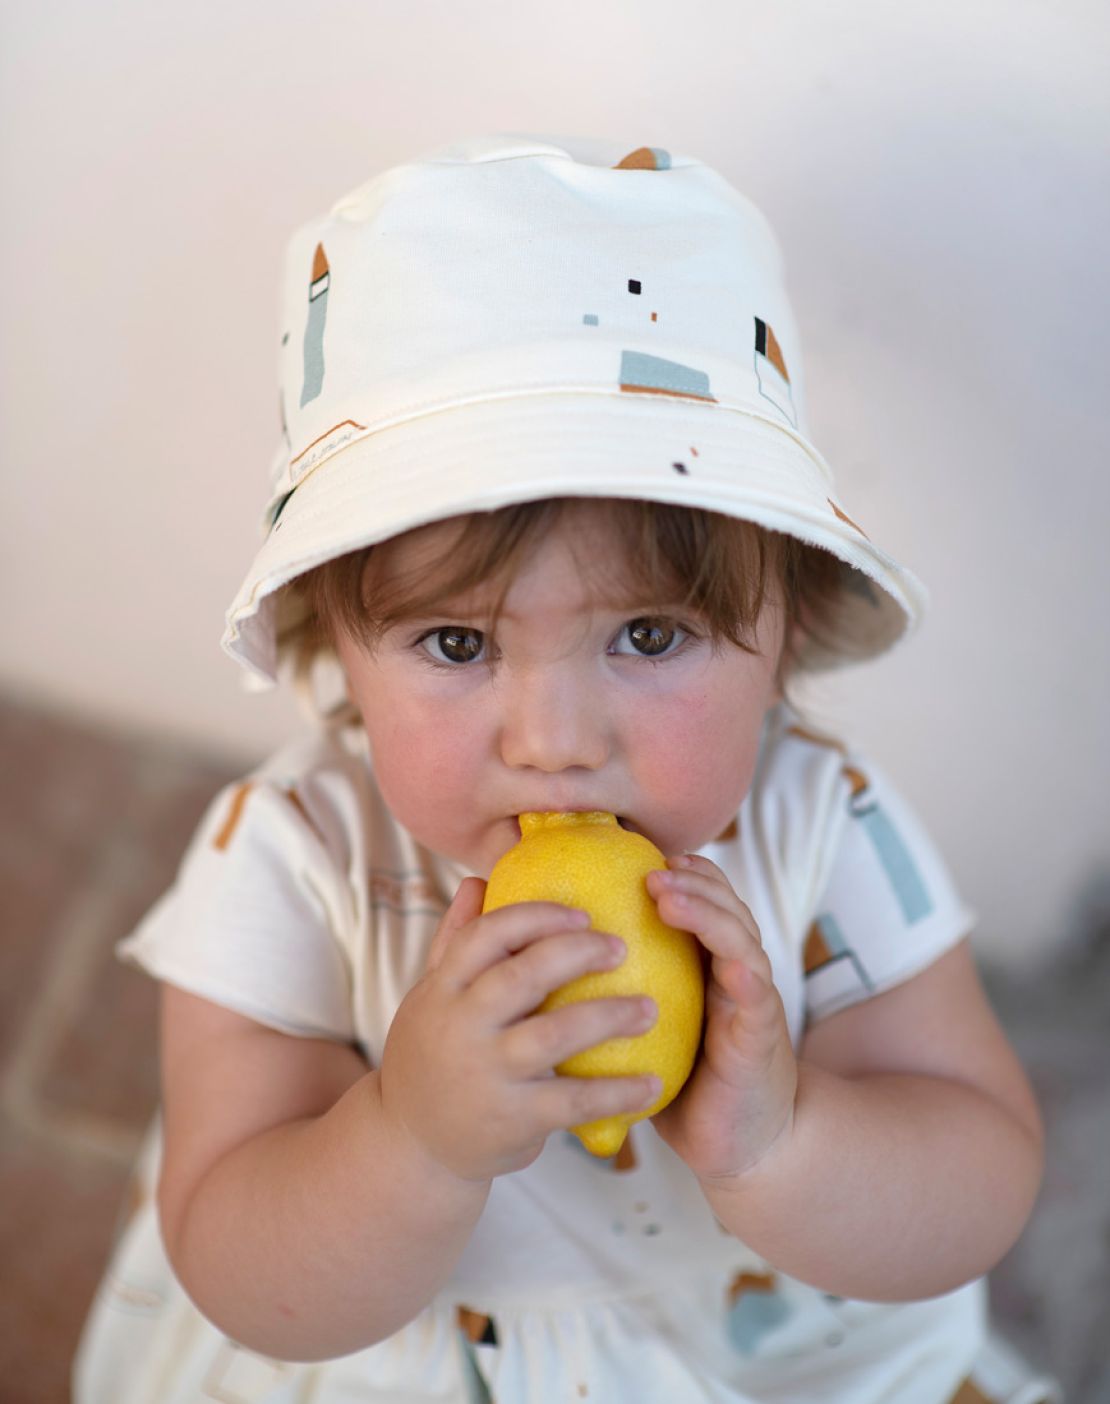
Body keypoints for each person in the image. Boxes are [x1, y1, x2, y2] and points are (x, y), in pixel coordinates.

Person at [74, 133, 1056, 1403]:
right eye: (457, 643)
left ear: (789, 631)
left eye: (649, 636)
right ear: (339, 647)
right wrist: (412, 1138)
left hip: (757, 1356)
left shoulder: (823, 821)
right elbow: (242, 1264)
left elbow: (980, 1176)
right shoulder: (293, 860)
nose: (554, 740)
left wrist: (784, 1139)